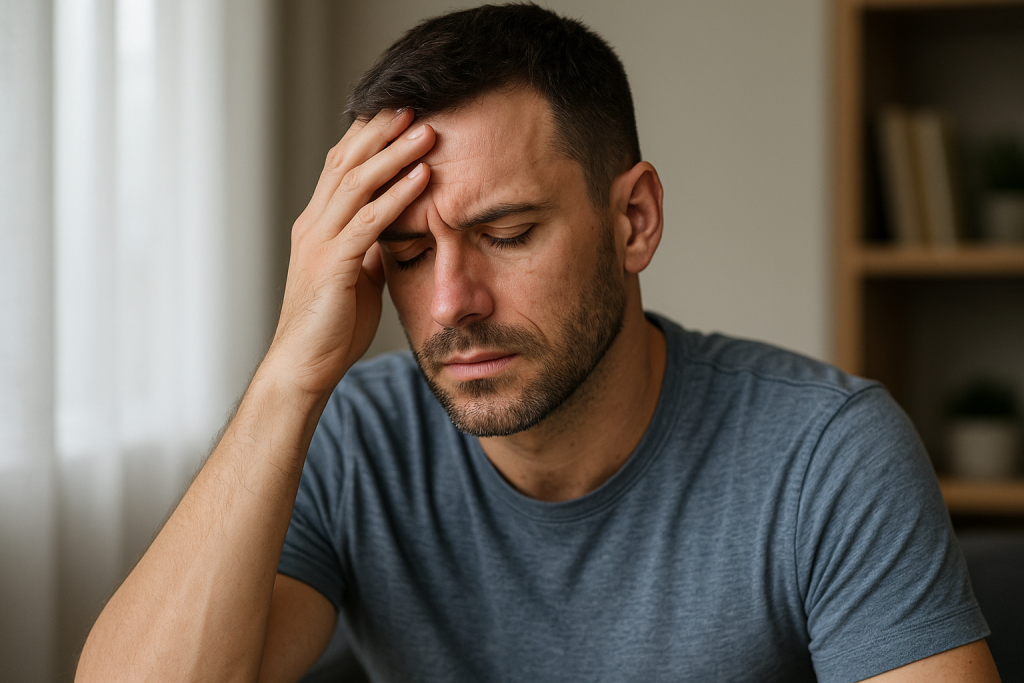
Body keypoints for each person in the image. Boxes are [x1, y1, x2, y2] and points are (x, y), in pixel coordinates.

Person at [77, 4, 1000, 682]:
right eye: (408, 253)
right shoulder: (356, 440)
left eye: (508, 233)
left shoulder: (827, 453)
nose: (451, 302)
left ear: (633, 220)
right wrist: (289, 373)